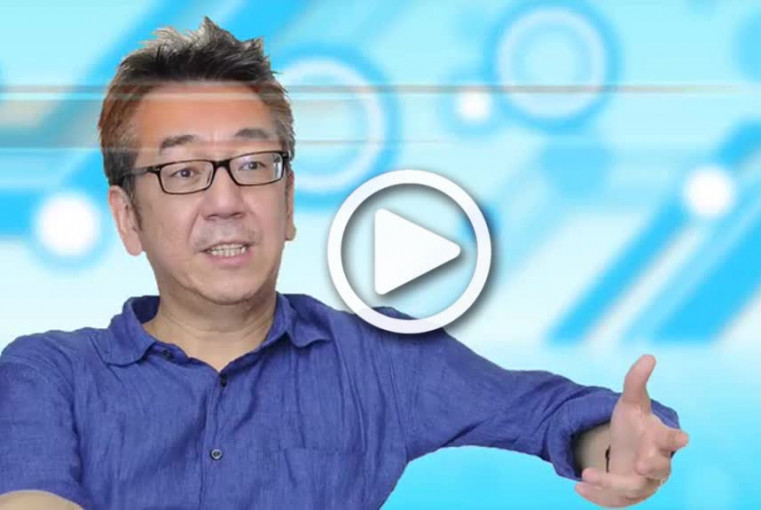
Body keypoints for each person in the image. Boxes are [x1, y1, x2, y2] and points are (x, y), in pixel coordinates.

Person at [0, 18, 688, 510]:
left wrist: (615, 445)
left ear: (288, 200)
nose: (226, 201)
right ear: (128, 218)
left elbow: (547, 412)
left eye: (253, 164)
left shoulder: (377, 356)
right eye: (183, 171)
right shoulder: (49, 374)